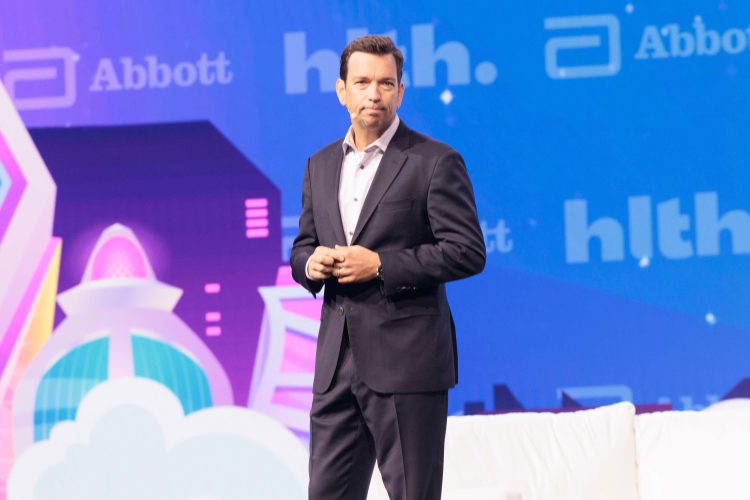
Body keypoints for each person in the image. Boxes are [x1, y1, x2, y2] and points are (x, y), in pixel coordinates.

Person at [291, 35, 486, 500]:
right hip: (335, 364)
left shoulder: (434, 161)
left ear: (401, 91)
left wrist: (381, 265)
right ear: (342, 91)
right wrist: (311, 264)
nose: (374, 94)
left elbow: (467, 250)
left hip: (407, 362)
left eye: (385, 83)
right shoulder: (319, 165)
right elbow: (301, 248)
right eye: (362, 82)